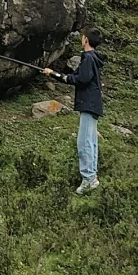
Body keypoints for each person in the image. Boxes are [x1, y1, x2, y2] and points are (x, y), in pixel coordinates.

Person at [44, 28, 104, 195]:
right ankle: (91, 177)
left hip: (88, 104)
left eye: (83, 37)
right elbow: (78, 77)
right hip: (93, 104)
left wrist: (55, 75)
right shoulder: (93, 58)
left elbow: (81, 79)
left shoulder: (88, 58)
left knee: (84, 142)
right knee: (90, 141)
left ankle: (88, 179)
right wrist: (54, 74)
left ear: (86, 40)